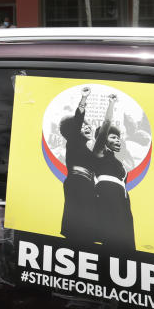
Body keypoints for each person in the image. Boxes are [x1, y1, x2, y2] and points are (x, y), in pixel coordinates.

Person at [92, 94, 135, 250]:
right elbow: (107, 122)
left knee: (125, 240)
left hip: (122, 200)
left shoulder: (119, 163)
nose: (118, 140)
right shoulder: (98, 153)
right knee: (110, 238)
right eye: (113, 137)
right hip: (106, 195)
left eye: (119, 138)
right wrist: (111, 103)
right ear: (103, 139)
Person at [58, 87, 98, 242]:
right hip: (77, 182)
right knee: (78, 228)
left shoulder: (89, 148)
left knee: (87, 228)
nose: (87, 126)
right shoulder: (73, 141)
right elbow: (78, 118)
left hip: (87, 185)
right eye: (83, 125)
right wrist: (84, 99)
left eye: (89, 124)